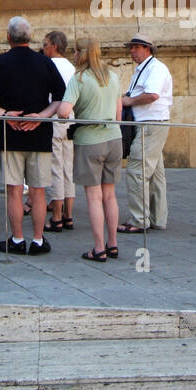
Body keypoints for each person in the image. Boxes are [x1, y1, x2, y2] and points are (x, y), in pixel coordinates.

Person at [0, 16, 67, 256]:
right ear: (30, 37)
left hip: (8, 133)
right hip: (39, 134)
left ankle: (16, 239)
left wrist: (4, 114)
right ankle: (37, 240)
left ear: (8, 37)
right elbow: (60, 98)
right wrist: (42, 117)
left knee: (14, 190)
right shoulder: (45, 63)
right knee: (38, 190)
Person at [57, 36, 122, 262]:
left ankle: (98, 248)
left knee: (94, 198)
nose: (73, 55)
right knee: (110, 196)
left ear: (80, 53)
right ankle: (112, 243)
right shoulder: (112, 76)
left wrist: (66, 113)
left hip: (89, 140)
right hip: (114, 138)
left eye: (74, 51)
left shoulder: (79, 78)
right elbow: (118, 109)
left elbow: (64, 110)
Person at [119, 34, 173, 234]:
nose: (131, 51)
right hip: (149, 124)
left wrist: (128, 101)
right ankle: (157, 218)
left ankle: (139, 220)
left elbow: (152, 95)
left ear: (147, 48)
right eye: (130, 47)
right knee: (156, 174)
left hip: (150, 124)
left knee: (137, 169)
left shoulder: (155, 68)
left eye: (135, 47)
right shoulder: (143, 69)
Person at [43, 30, 76, 232]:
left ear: (54, 45)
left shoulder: (49, 66)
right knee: (68, 168)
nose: (43, 48)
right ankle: (68, 215)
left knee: (55, 167)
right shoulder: (72, 67)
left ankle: (56, 216)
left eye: (45, 44)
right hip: (70, 119)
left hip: (54, 118)